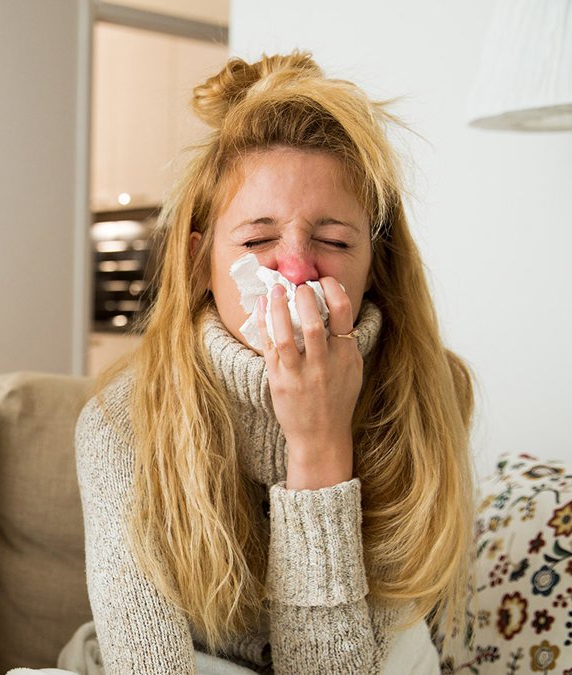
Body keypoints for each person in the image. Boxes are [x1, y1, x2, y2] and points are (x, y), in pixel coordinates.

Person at [74, 52, 474, 674]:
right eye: (258, 240)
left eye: (335, 241)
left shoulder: (428, 393)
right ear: (200, 261)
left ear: (376, 265)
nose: (293, 268)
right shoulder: (121, 419)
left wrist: (318, 443)